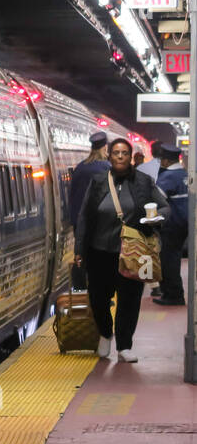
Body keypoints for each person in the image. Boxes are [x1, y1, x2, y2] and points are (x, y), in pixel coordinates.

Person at [75, 137, 171, 362]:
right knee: (98, 298)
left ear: (131, 157)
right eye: (116, 153)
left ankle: (125, 346)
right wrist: (79, 248)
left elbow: (165, 206)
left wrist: (156, 219)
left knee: (130, 299)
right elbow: (85, 216)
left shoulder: (144, 182)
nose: (120, 156)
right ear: (109, 156)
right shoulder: (98, 181)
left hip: (133, 250)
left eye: (124, 153)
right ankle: (106, 333)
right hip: (100, 251)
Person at [67, 130, 110, 289]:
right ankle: (99, 290)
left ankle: (81, 289)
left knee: (82, 256)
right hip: (101, 222)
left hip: (80, 221)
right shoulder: (107, 167)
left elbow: (72, 196)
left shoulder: (80, 168)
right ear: (105, 147)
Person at [154, 142, 188, 306]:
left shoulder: (167, 177)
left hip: (171, 225)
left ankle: (173, 295)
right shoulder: (183, 173)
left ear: (166, 161)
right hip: (183, 224)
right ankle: (173, 292)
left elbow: (156, 200)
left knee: (168, 260)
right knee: (173, 258)